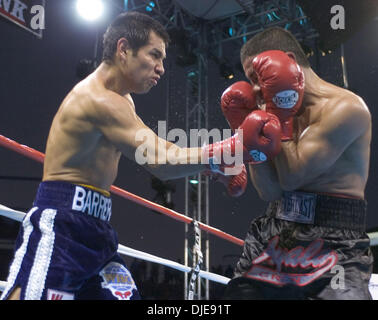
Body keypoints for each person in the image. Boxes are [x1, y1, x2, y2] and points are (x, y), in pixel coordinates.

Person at [0, 11, 281, 300]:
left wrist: (213, 160)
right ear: (123, 49)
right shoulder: (97, 100)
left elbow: (160, 149)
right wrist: (230, 149)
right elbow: (159, 160)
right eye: (155, 55)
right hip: (62, 225)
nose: (161, 67)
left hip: (96, 230)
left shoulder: (122, 100)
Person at [222, 27, 373, 300]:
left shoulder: (346, 108)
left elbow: (292, 178)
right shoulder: (268, 111)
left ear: (288, 62)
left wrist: (280, 114)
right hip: (275, 231)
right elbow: (269, 192)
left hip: (336, 241)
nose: (255, 89)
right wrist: (247, 133)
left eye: (257, 77)